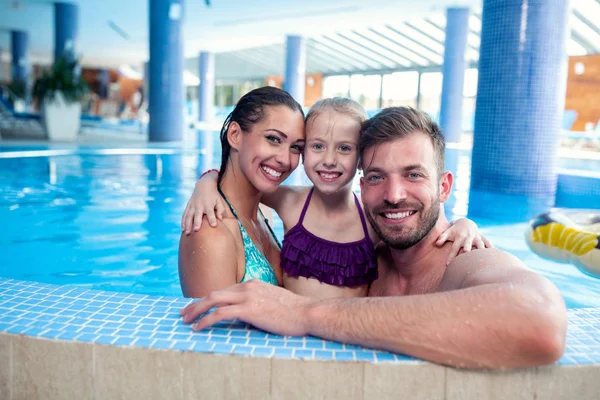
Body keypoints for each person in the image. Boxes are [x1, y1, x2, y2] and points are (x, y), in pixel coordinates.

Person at [180, 107, 567, 369]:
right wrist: (208, 180)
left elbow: (541, 319)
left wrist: (303, 313)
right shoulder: (372, 252)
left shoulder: (461, 257)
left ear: (445, 186)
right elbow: (249, 186)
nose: (394, 194)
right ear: (362, 187)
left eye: (414, 174)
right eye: (378, 177)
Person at [182, 98, 491, 300]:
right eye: (317, 146)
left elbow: (420, 221)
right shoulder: (291, 202)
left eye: (344, 149)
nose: (329, 160)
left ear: (361, 159)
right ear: (303, 154)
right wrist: (206, 182)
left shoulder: (371, 219)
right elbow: (240, 182)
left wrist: (465, 223)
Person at [178, 86, 305, 298]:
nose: (285, 159)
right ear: (235, 135)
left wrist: (207, 179)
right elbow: (214, 329)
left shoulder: (264, 212)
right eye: (273, 139)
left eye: (296, 147)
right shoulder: (211, 231)